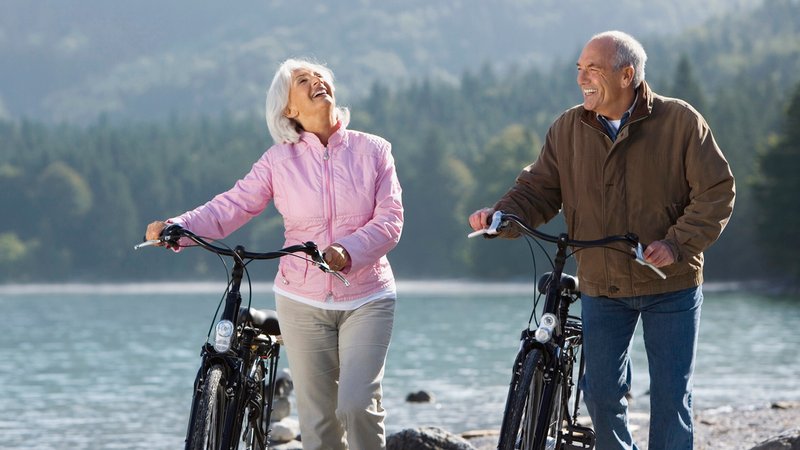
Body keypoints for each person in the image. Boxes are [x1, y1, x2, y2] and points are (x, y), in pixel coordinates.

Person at [469, 31, 735, 449]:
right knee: (600, 393)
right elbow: (537, 189)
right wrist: (503, 216)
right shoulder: (567, 128)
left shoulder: (680, 121)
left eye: (593, 68)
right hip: (601, 283)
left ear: (627, 74)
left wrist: (676, 243)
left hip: (672, 283)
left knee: (671, 398)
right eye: (579, 68)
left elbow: (716, 192)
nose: (582, 78)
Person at [145, 58, 404, 450]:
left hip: (367, 295)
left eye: (320, 76)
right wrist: (179, 228)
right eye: (303, 80)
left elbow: (390, 222)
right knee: (318, 423)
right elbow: (231, 206)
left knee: (355, 405)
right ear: (289, 109)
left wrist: (345, 250)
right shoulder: (278, 161)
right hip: (301, 300)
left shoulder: (374, 150)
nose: (317, 81)